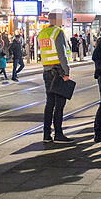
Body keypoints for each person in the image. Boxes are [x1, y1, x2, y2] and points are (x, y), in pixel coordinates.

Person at [38, 12, 73, 143]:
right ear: (57, 20)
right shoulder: (58, 32)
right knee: (60, 104)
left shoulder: (42, 33)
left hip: (46, 71)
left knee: (50, 103)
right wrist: (66, 72)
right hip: (58, 71)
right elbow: (61, 53)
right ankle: (58, 133)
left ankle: (46, 134)